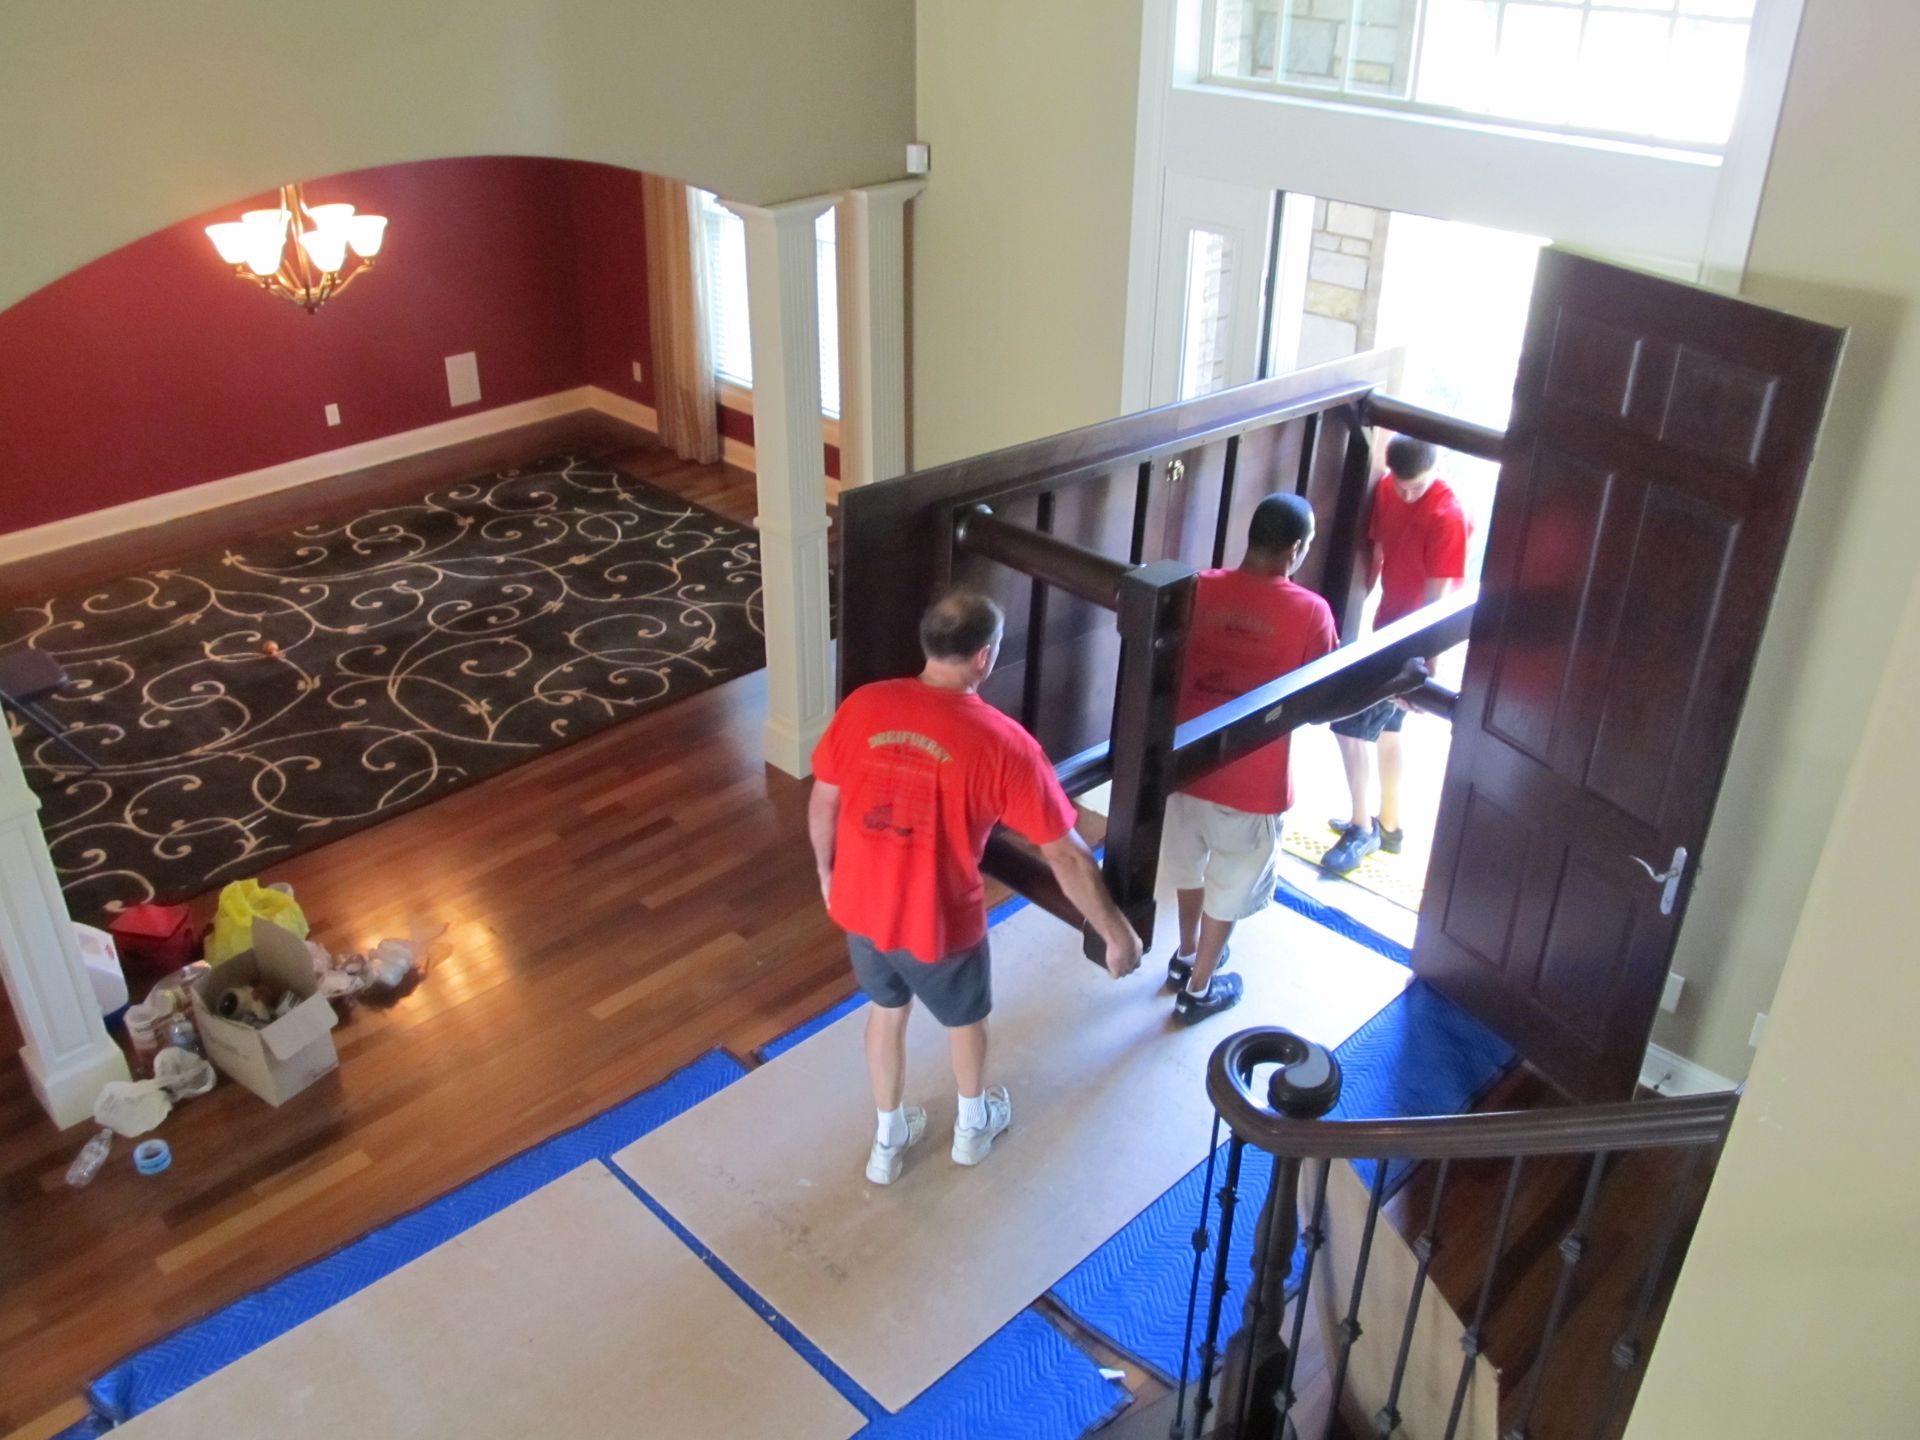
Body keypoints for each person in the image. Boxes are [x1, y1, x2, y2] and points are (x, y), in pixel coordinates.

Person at [809, 591, 1144, 1187]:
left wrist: (827, 876)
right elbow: (1064, 853)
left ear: (927, 643)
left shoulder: (864, 705)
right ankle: (971, 1127)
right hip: (939, 922)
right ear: (984, 658)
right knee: (965, 1021)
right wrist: (1114, 931)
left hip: (859, 908)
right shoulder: (1005, 743)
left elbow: (823, 799)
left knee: (885, 1011)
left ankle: (887, 1143)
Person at [1160, 494, 1338, 1021]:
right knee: (1232, 883)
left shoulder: (1196, 588)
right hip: (1252, 781)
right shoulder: (1310, 612)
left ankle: (1185, 951)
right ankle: (1199, 985)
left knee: (1187, 864)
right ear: (1296, 549)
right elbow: (1321, 697)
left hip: (1184, 765)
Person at [1323, 435, 1469, 875]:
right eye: (1401, 486)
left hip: (1412, 641)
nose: (1406, 494)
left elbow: (1438, 598)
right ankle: (1389, 825)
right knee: (1388, 732)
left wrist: (1425, 670)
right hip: (1384, 626)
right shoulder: (1386, 489)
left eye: (1416, 487)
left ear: (1435, 469)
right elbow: (1378, 551)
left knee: (1349, 726)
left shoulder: (1447, 515)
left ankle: (1360, 826)